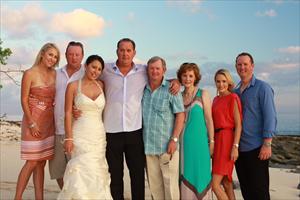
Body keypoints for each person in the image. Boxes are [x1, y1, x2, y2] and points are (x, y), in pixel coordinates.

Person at [100, 38, 180, 200]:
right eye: (122, 50)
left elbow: (159, 74)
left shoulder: (142, 70)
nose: (125, 53)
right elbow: (89, 76)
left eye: (129, 50)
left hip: (135, 131)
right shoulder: (105, 70)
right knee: (115, 175)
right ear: (117, 51)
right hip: (111, 130)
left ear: (134, 53)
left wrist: (175, 81)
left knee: (137, 175)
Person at [57, 55, 112, 199]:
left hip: (98, 135)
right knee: (81, 170)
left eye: (99, 69)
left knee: (97, 170)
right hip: (80, 133)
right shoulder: (73, 86)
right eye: (93, 67)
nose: (96, 71)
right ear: (85, 66)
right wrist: (68, 137)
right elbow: (68, 112)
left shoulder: (102, 85)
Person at [15, 43, 60, 200]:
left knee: (41, 163)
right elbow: (23, 99)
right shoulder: (29, 73)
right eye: (50, 55)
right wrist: (32, 122)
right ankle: (17, 197)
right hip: (33, 121)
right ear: (42, 54)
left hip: (49, 122)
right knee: (32, 161)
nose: (52, 59)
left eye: (55, 57)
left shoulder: (56, 74)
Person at [234, 52, 277, 200]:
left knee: (260, 192)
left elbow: (270, 116)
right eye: (239, 64)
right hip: (240, 150)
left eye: (245, 64)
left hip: (257, 149)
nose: (242, 67)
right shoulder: (235, 92)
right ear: (236, 67)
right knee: (246, 191)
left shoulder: (262, 88)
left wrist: (267, 144)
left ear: (252, 66)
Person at [143, 56, 185, 200]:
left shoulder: (172, 89)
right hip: (148, 148)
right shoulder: (143, 89)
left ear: (164, 70)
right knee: (155, 189)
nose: (154, 71)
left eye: (158, 68)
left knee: (171, 188)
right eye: (152, 68)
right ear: (147, 70)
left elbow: (180, 115)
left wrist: (174, 139)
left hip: (167, 147)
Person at [48, 41, 85, 189]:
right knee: (58, 170)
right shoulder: (56, 74)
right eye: (70, 54)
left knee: (77, 170)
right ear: (65, 55)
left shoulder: (86, 74)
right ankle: (66, 194)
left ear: (82, 56)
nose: (74, 57)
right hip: (56, 128)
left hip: (77, 131)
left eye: (77, 54)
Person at [177, 62, 214, 200]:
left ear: (196, 77)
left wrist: (211, 142)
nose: (187, 79)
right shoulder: (178, 96)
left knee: (201, 175)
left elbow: (209, 120)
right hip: (182, 146)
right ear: (180, 77)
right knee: (185, 173)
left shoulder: (203, 94)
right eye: (184, 75)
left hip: (200, 145)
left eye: (190, 76)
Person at [211, 69, 242, 200]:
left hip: (227, 140)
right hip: (217, 140)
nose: (221, 84)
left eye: (224, 81)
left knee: (215, 185)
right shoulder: (215, 99)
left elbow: (239, 125)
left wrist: (235, 146)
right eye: (218, 81)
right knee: (226, 183)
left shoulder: (233, 97)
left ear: (228, 82)